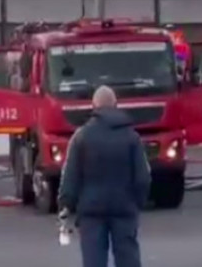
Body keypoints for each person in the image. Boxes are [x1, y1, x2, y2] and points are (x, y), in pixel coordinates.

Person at [57, 85, 151, 267]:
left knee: (94, 260)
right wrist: (137, 202)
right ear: (116, 105)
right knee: (128, 258)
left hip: (91, 210)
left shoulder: (81, 136)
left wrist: (65, 204)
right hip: (124, 208)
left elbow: (71, 176)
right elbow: (143, 177)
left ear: (94, 106)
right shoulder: (132, 137)